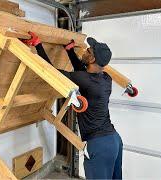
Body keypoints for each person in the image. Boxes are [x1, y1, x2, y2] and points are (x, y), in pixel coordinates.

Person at [23, 32, 123, 179]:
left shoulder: (85, 79)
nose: (84, 51)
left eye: (88, 51)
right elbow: (83, 72)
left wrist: (38, 44)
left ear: (93, 58)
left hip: (99, 145)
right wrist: (69, 50)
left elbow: (53, 74)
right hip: (114, 140)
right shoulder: (106, 78)